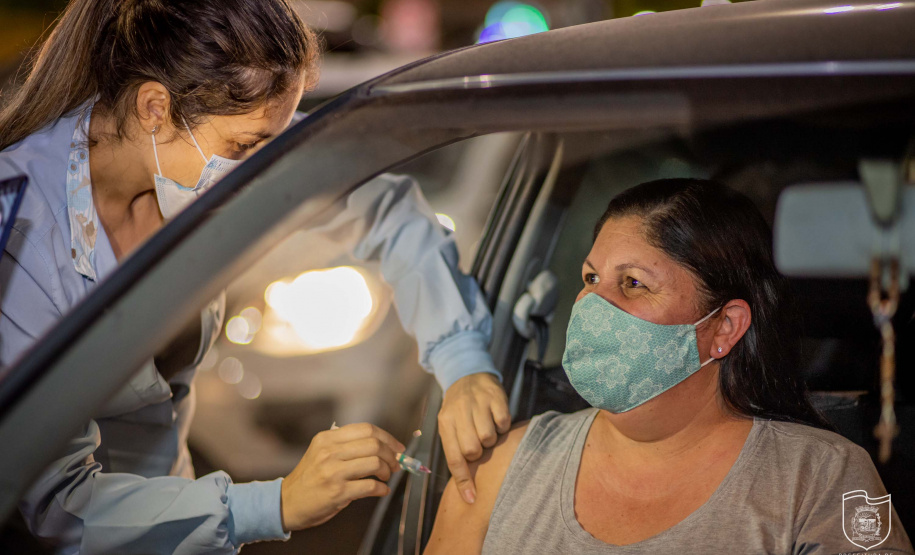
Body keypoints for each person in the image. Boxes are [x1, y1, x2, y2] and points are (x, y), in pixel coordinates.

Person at [0, 0, 507, 552]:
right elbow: (57, 507)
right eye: (242, 148)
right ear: (153, 107)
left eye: (274, 141)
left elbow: (382, 208)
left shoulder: (227, 135)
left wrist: (462, 363)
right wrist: (277, 502)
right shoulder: (21, 233)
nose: (264, 172)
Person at [426, 179, 914, 554]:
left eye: (634, 283)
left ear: (723, 327)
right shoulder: (503, 467)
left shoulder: (820, 479)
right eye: (591, 277)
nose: (593, 305)